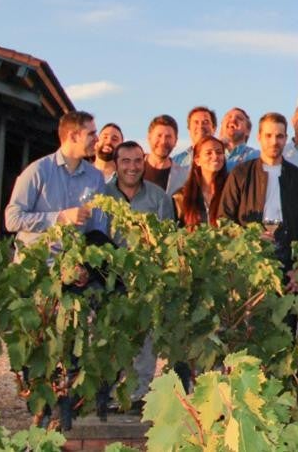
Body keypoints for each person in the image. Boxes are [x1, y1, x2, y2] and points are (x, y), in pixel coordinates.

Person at [97, 140, 175, 403]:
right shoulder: (102, 196)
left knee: (145, 338)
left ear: (145, 162)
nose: (132, 167)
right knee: (109, 337)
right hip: (108, 279)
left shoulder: (159, 198)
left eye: (138, 161)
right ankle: (107, 393)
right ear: (116, 165)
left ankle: (139, 395)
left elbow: (168, 242)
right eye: (126, 161)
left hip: (146, 281)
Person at [217, 112, 298, 275]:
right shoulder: (240, 174)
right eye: (268, 135)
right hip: (248, 265)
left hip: (288, 266)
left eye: (279, 136)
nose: (274, 142)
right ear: (259, 137)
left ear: (285, 138)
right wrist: (250, 238)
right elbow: (224, 219)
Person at [5, 111, 104, 249]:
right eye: (91, 134)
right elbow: (12, 219)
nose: (97, 139)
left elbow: (97, 229)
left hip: (74, 268)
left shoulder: (96, 177)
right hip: (35, 265)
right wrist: (59, 218)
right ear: (73, 136)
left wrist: (85, 264)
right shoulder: (37, 170)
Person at [172, 135, 230, 229]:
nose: (215, 156)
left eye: (219, 152)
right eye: (208, 153)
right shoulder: (181, 197)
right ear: (197, 160)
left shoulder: (231, 192)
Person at [143, 115, 188, 195]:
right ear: (149, 137)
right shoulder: (132, 170)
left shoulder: (184, 178)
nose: (163, 141)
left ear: (175, 141)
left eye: (168, 137)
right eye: (159, 135)